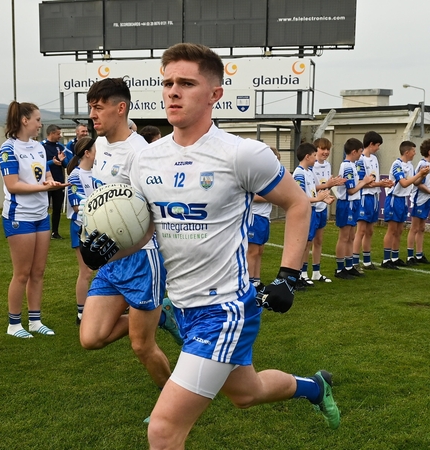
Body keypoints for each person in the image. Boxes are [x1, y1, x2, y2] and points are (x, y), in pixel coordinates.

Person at [78, 44, 340, 448]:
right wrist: (109, 249)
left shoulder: (242, 154)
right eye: (167, 83)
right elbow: (148, 230)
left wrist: (287, 276)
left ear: (215, 94)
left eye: (186, 83)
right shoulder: (147, 160)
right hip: (181, 306)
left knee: (163, 430)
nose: (172, 92)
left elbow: (297, 203)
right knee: (245, 393)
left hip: (224, 309)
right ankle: (314, 388)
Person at [77, 77, 181, 392]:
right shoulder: (102, 144)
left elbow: (150, 218)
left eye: (98, 108)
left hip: (139, 260)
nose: (93, 115)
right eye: (91, 108)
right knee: (91, 338)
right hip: (112, 259)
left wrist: (113, 249)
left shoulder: (141, 153)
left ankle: (171, 401)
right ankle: (160, 314)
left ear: (120, 108)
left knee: (141, 345)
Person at [0, 101, 66, 338]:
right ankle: (14, 324)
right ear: (24, 120)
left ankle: (35, 321)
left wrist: (51, 183)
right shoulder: (7, 149)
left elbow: (45, 175)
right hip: (20, 217)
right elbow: (13, 185)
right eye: (37, 119)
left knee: (38, 271)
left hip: (40, 215)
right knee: (22, 273)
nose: (40, 123)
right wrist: (42, 187)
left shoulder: (38, 147)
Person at [381, 141, 430, 269]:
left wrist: (422, 175)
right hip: (394, 199)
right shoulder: (397, 164)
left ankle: (395, 257)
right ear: (407, 152)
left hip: (403, 199)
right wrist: (419, 174)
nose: (415, 153)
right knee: (392, 230)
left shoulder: (409, 165)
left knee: (399, 230)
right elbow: (403, 183)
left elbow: (414, 182)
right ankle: (386, 260)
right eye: (413, 151)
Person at [65, 136, 97, 325]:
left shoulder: (98, 172)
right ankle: (81, 313)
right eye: (95, 149)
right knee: (85, 271)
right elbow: (77, 207)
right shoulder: (75, 176)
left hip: (99, 227)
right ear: (87, 153)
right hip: (81, 227)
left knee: (104, 270)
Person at [293, 142, 333, 286]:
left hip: (313, 210)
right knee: (303, 244)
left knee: (309, 242)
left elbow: (311, 192)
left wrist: (324, 198)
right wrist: (317, 199)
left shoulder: (308, 172)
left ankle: (305, 274)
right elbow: (299, 196)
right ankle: (297, 275)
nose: (316, 158)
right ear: (307, 156)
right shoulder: (299, 173)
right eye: (314, 155)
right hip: (305, 211)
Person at [353, 131, 393, 272]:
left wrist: (383, 183)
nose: (378, 148)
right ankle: (354, 261)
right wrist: (380, 184)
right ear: (371, 144)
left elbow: (374, 180)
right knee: (361, 230)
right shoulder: (360, 160)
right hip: (364, 197)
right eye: (377, 145)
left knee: (370, 230)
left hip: (375, 197)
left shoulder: (374, 159)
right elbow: (363, 182)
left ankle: (367, 261)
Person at [334, 138, 374, 280]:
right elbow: (351, 190)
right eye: (360, 152)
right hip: (347, 203)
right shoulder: (347, 166)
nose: (360, 154)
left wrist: (365, 182)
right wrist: (364, 182)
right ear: (353, 151)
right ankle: (339, 269)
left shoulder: (352, 165)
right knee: (344, 237)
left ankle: (349, 266)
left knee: (351, 236)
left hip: (353, 203)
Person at [310, 138, 345, 283]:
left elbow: (326, 186)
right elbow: (310, 187)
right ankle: (302, 274)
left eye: (327, 149)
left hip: (322, 207)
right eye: (322, 149)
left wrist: (331, 188)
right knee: (307, 242)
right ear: (315, 150)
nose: (325, 152)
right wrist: (328, 184)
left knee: (319, 240)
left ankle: (316, 272)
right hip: (311, 206)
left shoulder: (328, 165)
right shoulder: (311, 166)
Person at [406, 139, 430, 265]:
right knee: (414, 228)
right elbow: (418, 184)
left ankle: (419, 254)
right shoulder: (423, 165)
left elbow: (426, 182)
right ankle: (410, 256)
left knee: (422, 228)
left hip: (427, 198)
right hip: (420, 199)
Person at [247, 146, 280, 291]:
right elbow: (252, 197)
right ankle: (248, 283)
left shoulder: (268, 177)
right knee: (252, 251)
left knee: (260, 250)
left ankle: (256, 280)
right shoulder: (255, 176)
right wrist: (271, 198)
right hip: (254, 216)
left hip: (264, 217)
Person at [41, 124, 67, 239]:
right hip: (45, 183)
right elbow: (39, 165)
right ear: (51, 133)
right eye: (58, 134)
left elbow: (65, 164)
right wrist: (52, 163)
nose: (60, 136)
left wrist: (62, 161)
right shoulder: (41, 146)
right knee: (44, 207)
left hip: (59, 182)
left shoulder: (60, 147)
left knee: (57, 208)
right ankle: (44, 231)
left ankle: (55, 232)